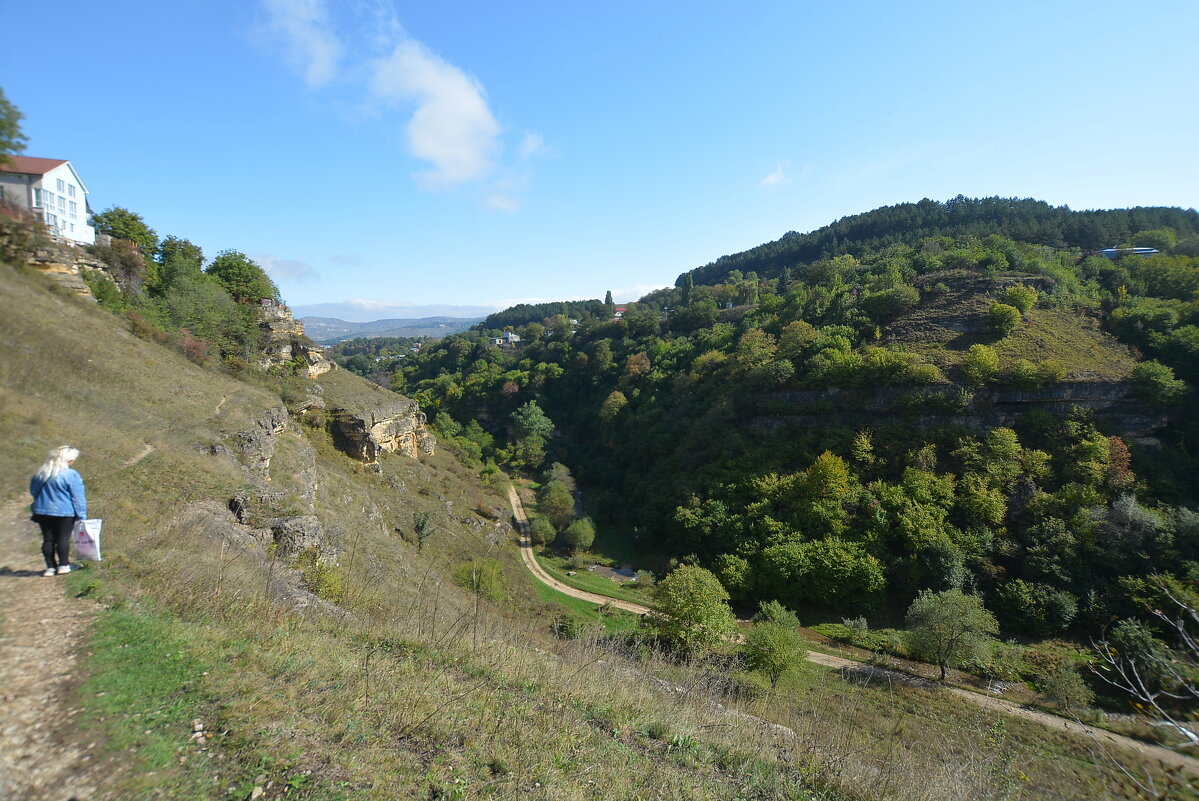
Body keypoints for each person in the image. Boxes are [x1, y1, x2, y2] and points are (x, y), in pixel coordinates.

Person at [29, 445, 87, 577]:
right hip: (64, 511)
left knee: (48, 539)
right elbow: (77, 497)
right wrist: (82, 515)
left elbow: (34, 491)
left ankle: (50, 567)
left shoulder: (42, 472)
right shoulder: (71, 474)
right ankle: (63, 565)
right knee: (63, 539)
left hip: (42, 510)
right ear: (69, 460)